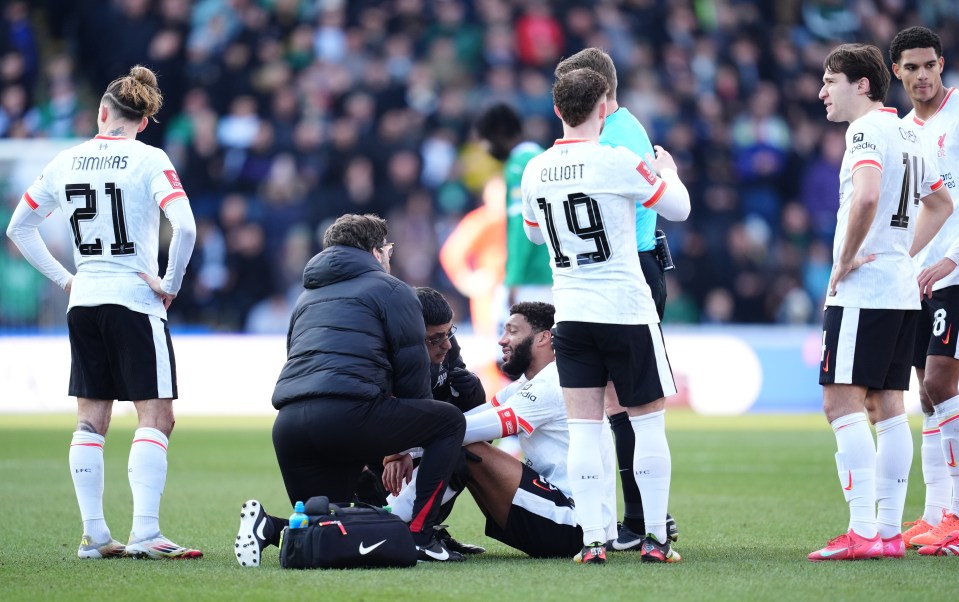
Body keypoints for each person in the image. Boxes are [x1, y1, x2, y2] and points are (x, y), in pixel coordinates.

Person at [4, 65, 201, 559]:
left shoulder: (65, 160)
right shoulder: (150, 159)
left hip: (85, 299)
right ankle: (146, 532)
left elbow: (19, 228)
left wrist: (67, 279)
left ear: (101, 112)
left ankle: (94, 535)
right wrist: (170, 284)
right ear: (143, 120)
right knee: (156, 416)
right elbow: (187, 228)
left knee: (90, 420)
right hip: (134, 298)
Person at [521, 68, 691, 564]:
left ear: (557, 111)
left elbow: (534, 235)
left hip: (570, 315)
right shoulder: (616, 160)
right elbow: (677, 208)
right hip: (625, 309)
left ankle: (593, 539)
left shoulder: (536, 168)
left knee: (584, 429)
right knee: (647, 425)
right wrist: (668, 170)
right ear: (603, 109)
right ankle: (655, 540)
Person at [247, 214, 467, 565]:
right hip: (349, 416)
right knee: (450, 421)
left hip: (289, 429)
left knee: (329, 528)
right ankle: (421, 536)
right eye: (389, 249)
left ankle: (270, 528)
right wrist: (401, 449)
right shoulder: (392, 289)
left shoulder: (306, 297)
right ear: (377, 251)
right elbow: (412, 375)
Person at [809, 43, 953, 562]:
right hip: (898, 287)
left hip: (864, 291)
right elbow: (941, 204)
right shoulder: (914, 132)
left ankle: (864, 531)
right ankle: (889, 533)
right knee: (888, 408)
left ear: (862, 85)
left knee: (840, 402)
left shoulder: (865, 130)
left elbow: (867, 196)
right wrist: (899, 253)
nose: (822, 92)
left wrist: (846, 259)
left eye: (831, 81)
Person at [554, 46, 679, 550]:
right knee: (615, 406)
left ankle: (641, 519)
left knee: (625, 406)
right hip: (619, 278)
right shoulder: (620, 134)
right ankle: (633, 520)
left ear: (600, 95)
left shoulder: (615, 138)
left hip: (629, 275)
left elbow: (675, 205)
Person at [382, 302, 618, 558]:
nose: (502, 341)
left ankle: (389, 524)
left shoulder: (552, 383)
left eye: (513, 332)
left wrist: (400, 447)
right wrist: (405, 447)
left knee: (465, 449)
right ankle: (398, 523)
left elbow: (462, 430)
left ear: (543, 338)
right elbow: (469, 418)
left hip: (574, 527)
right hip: (558, 514)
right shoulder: (528, 383)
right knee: (453, 441)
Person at [890, 26, 959, 552]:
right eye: (910, 67)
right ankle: (936, 512)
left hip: (954, 273)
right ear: (897, 72)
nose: (921, 75)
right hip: (919, 276)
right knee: (928, 392)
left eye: (928, 65)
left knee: (942, 381)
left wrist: (953, 258)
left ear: (941, 65)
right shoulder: (907, 131)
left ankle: (955, 514)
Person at [474, 102, 552, 315]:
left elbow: (522, 225)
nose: (484, 149)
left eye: (483, 141)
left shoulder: (518, 165)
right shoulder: (542, 157)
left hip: (531, 279)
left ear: (497, 134)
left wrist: (512, 279)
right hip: (552, 273)